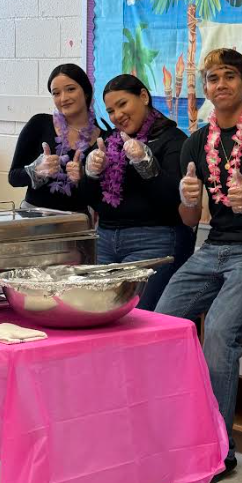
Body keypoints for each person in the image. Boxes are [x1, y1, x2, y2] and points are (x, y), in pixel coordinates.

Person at [155, 48, 242, 481]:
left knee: (220, 338)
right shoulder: (196, 141)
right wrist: (188, 199)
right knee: (159, 326)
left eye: (230, 76)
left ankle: (219, 451)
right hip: (211, 247)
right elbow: (190, 220)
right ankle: (170, 434)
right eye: (212, 78)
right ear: (206, 87)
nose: (221, 85)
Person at [84, 74, 195, 311]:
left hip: (154, 241)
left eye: (123, 104)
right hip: (105, 240)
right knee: (101, 314)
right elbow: (89, 200)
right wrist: (90, 174)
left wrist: (147, 164)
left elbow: (174, 201)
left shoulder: (173, 140)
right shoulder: (109, 143)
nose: (117, 115)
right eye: (111, 111)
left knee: (137, 318)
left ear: (143, 97)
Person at [9, 63, 101, 212]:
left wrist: (84, 177)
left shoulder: (102, 138)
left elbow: (104, 193)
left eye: (70, 89)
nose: (63, 98)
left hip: (78, 223)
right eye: (56, 93)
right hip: (34, 218)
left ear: (85, 91)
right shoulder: (39, 124)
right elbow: (13, 178)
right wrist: (37, 170)